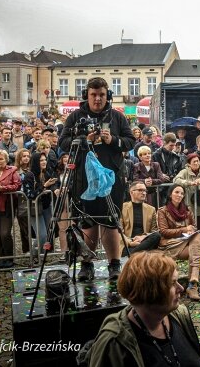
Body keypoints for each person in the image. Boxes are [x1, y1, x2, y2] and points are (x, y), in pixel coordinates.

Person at [59, 77, 136, 282]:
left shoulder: (117, 118)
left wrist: (113, 140)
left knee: (111, 221)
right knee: (88, 222)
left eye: (101, 94)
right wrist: (85, 140)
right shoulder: (75, 117)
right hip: (84, 180)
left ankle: (114, 265)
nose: (97, 99)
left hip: (112, 179)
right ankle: (87, 264)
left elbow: (130, 141)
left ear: (107, 95)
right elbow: (63, 142)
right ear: (87, 95)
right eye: (93, 95)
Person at [84, 252, 200, 367]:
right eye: (172, 283)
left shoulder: (179, 315)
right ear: (151, 291)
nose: (181, 289)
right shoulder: (115, 343)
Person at [157, 183, 200, 301]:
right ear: (170, 194)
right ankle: (193, 282)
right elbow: (163, 231)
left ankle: (192, 285)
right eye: (176, 192)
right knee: (196, 247)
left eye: (182, 193)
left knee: (196, 236)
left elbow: (194, 227)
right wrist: (184, 230)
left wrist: (191, 230)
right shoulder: (163, 211)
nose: (179, 195)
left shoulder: (187, 211)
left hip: (185, 244)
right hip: (170, 244)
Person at [173, 154, 200, 237]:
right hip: (190, 202)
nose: (196, 163)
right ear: (189, 164)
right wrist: (188, 183)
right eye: (194, 162)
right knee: (191, 220)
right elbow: (176, 180)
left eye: (198, 161)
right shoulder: (184, 172)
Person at [120, 180, 159, 255]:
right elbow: (119, 232)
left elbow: (154, 231)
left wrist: (143, 237)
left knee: (157, 235)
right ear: (131, 192)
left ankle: (132, 254)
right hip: (128, 243)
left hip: (144, 242)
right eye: (140, 190)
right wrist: (130, 243)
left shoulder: (151, 209)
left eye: (145, 190)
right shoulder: (122, 208)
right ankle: (135, 253)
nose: (144, 193)